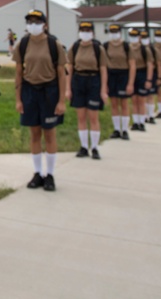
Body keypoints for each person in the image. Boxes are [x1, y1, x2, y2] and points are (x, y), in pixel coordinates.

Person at [14, 10, 68, 191]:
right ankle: (37, 173)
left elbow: (62, 73)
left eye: (37, 21)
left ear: (45, 24)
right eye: (30, 21)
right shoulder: (23, 43)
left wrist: (61, 100)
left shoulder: (54, 44)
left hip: (49, 91)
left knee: (49, 133)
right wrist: (18, 99)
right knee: (34, 133)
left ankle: (50, 174)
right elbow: (19, 72)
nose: (33, 24)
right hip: (30, 91)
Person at [67, 21, 109, 159]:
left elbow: (103, 69)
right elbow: (70, 68)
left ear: (93, 32)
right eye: (82, 29)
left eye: (88, 30)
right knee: (81, 116)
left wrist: (103, 90)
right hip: (78, 80)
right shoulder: (75, 47)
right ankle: (84, 146)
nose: (85, 32)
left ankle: (95, 147)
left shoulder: (98, 48)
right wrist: (68, 88)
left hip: (93, 81)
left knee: (93, 116)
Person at [104, 23, 136, 141]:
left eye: (116, 32)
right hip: (111, 75)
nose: (114, 34)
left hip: (124, 74)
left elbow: (132, 65)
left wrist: (130, 83)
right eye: (112, 32)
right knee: (113, 103)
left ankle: (125, 130)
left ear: (120, 32)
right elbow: (104, 65)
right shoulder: (106, 46)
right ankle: (117, 129)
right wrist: (105, 84)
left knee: (124, 103)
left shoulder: (127, 46)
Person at [128, 28, 154, 132]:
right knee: (134, 100)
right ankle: (135, 122)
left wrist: (148, 79)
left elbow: (150, 65)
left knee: (141, 100)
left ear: (139, 37)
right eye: (131, 36)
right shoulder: (128, 48)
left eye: (135, 36)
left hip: (142, 74)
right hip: (131, 74)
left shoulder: (144, 49)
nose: (133, 38)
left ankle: (142, 122)